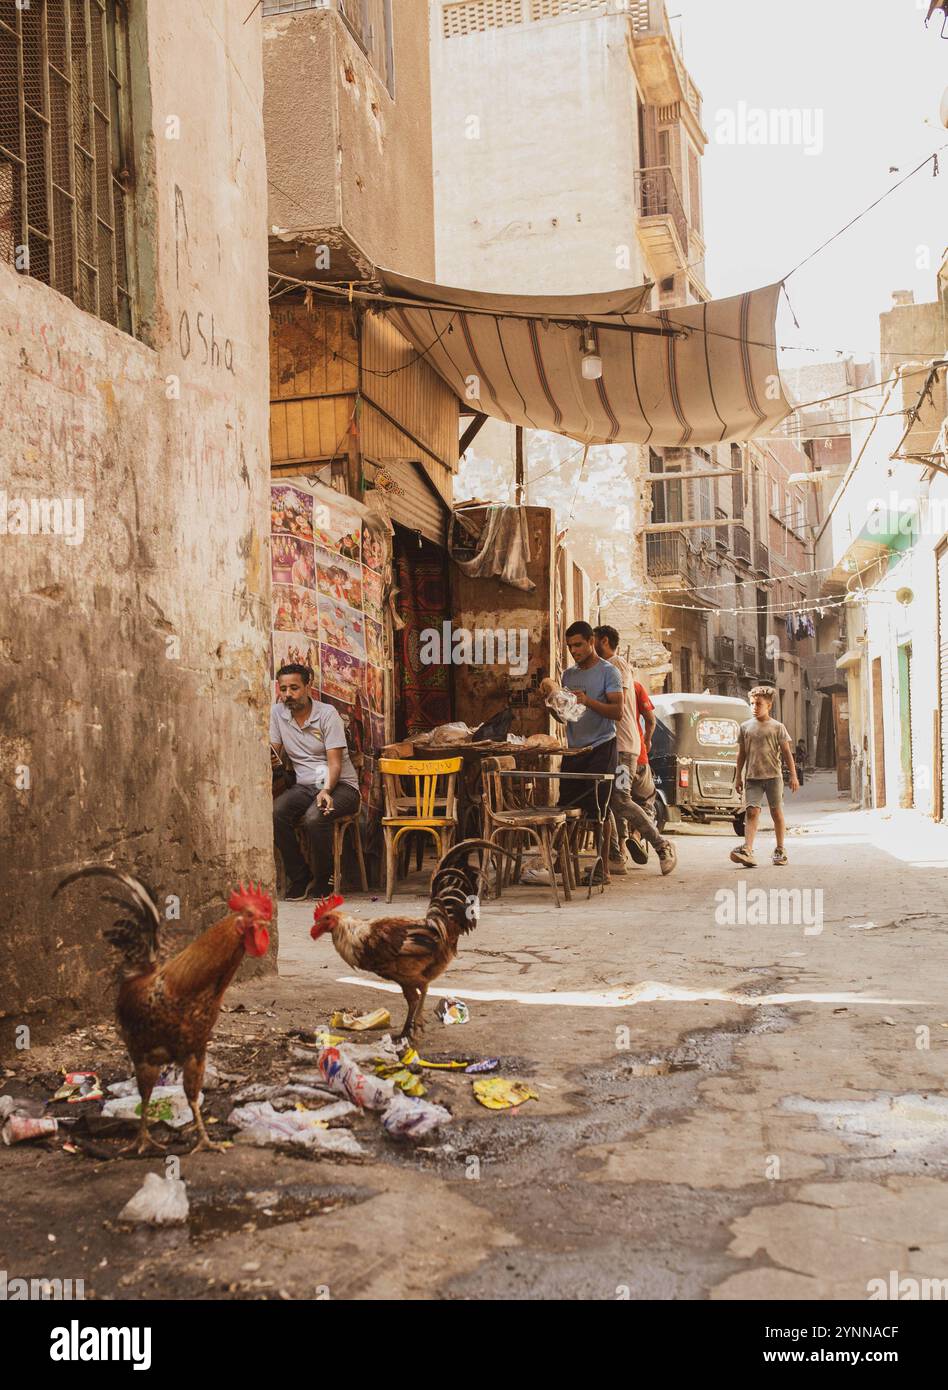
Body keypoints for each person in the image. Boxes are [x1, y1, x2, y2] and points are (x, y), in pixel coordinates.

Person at [271, 663, 361, 899]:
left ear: (308, 686)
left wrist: (326, 790)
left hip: (341, 786)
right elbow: (275, 752)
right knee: (276, 813)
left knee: (313, 817)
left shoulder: (327, 714)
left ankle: (325, 877)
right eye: (283, 689)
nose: (288, 694)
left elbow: (334, 763)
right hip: (304, 786)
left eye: (294, 688)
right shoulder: (277, 713)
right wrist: (269, 758)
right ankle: (300, 877)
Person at [594, 626, 677, 876]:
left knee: (620, 800)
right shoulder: (611, 668)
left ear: (604, 641)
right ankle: (615, 856)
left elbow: (616, 708)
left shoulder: (616, 665)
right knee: (604, 803)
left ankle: (661, 845)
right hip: (611, 748)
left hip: (622, 749)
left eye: (591, 641)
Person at [731, 686, 798, 868]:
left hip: (773, 777)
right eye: (752, 703)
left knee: (776, 812)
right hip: (753, 778)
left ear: (768, 705)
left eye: (758, 704)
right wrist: (738, 777)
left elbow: (786, 753)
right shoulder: (745, 727)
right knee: (751, 812)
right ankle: (747, 849)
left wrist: (793, 775)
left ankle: (780, 849)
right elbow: (741, 754)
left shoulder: (777, 727)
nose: (754, 707)